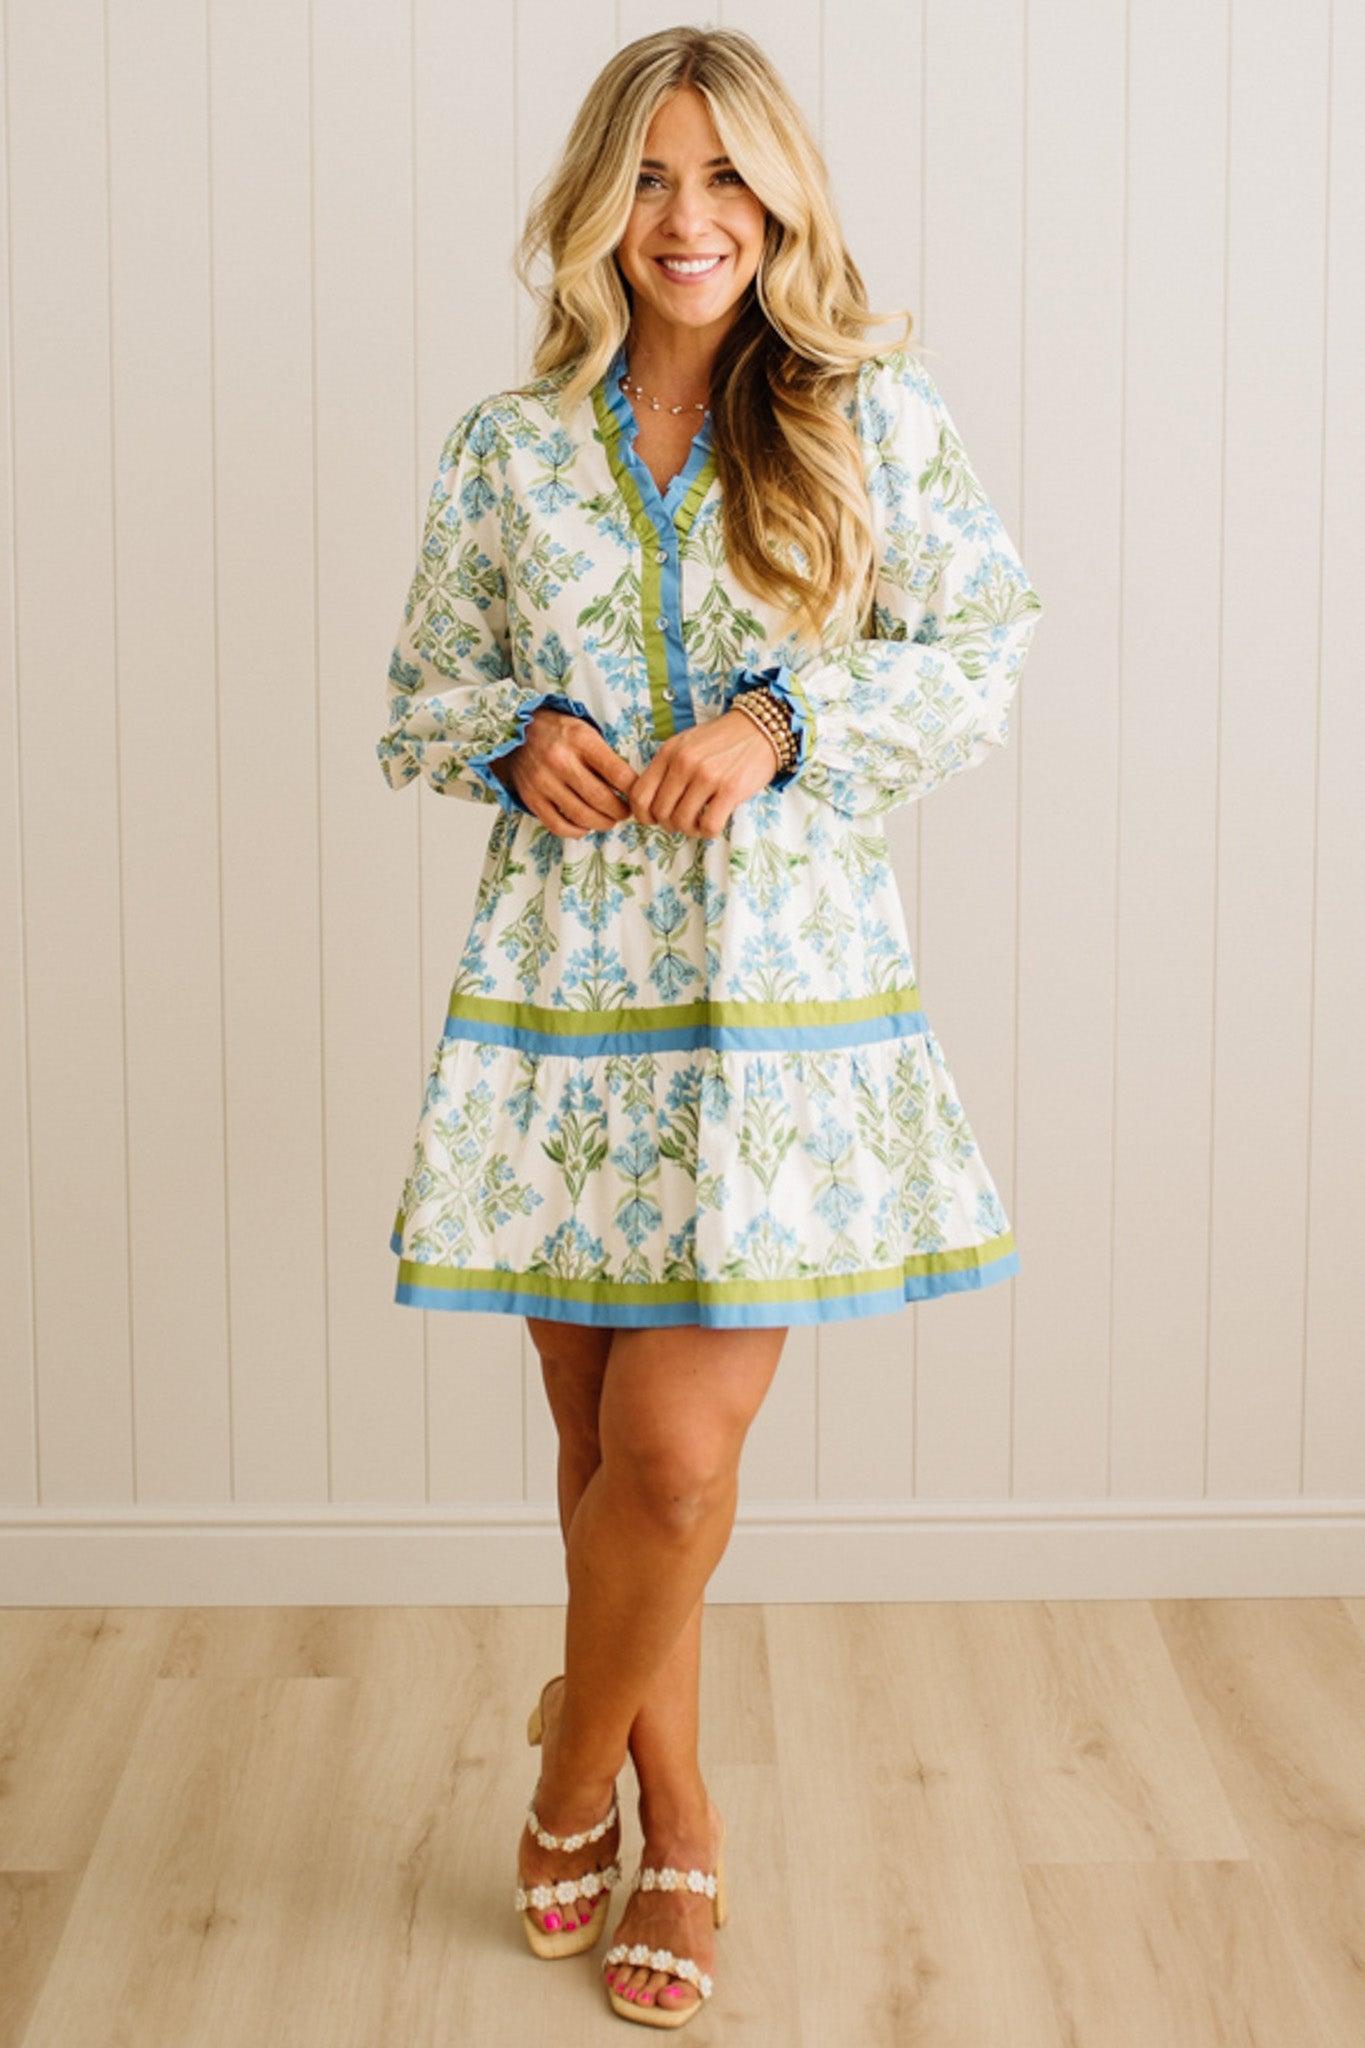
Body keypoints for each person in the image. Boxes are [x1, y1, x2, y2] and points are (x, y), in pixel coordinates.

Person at [376, 24, 1043, 2028]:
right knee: (601, 1453)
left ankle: (564, 1771)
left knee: (668, 1464)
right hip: (563, 1007)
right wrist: (518, 737)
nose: (689, 219)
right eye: (652, 179)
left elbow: (984, 640)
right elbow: (421, 696)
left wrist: (781, 720)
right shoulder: (507, 451)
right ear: (600, 205)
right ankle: (674, 1809)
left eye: (727, 178)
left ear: (781, 199)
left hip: (778, 1014)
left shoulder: (867, 415)